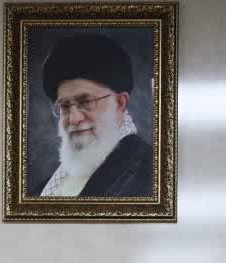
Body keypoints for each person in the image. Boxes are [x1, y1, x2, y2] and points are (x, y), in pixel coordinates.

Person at [33, 33, 154, 198]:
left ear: (120, 103)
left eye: (86, 102)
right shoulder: (47, 186)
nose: (74, 119)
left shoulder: (147, 174)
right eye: (65, 106)